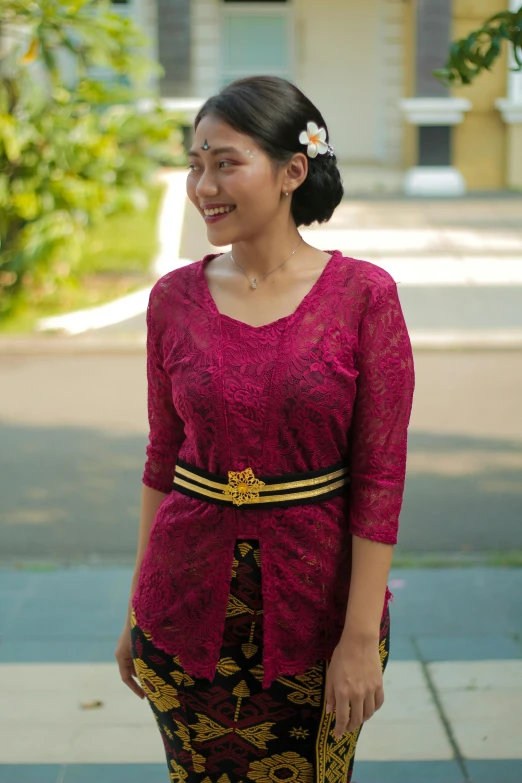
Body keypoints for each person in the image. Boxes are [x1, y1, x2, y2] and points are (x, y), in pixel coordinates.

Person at [115, 75, 415, 783]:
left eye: (225, 162)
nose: (203, 184)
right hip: (181, 611)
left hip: (319, 621)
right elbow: (163, 459)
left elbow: (380, 477)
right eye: (195, 163)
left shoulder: (365, 297)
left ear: (292, 170)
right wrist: (135, 607)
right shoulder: (173, 299)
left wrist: (360, 638)